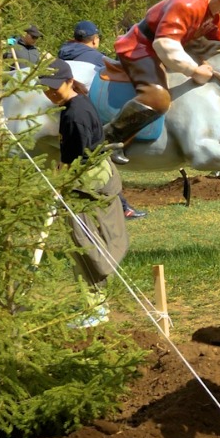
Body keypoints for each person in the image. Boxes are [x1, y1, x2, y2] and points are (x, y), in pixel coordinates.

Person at [106, 0, 220, 145]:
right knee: (157, 98)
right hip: (141, 47)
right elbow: (165, 44)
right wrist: (194, 70)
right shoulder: (187, 6)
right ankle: (108, 139)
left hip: (157, 49)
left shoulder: (213, 17)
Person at [37, 59, 128, 329]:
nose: (50, 93)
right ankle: (96, 300)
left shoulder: (74, 115)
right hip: (100, 175)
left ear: (68, 81)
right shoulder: (76, 104)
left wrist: (60, 178)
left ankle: (96, 308)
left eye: (55, 88)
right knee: (93, 238)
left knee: (83, 241)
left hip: (87, 183)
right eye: (46, 89)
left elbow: (75, 160)